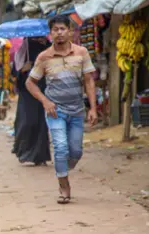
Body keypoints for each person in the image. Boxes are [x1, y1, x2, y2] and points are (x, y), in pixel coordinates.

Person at [26, 15, 98, 204]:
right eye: (55, 30)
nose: (59, 33)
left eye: (62, 29)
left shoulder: (81, 53)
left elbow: (89, 81)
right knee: (60, 147)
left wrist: (93, 108)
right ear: (50, 34)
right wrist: (45, 101)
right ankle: (64, 186)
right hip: (55, 110)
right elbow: (30, 83)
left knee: (76, 151)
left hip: (77, 110)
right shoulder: (44, 57)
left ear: (70, 31)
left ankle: (62, 168)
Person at [12, 37, 51, 166]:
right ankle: (24, 152)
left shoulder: (50, 47)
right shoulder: (26, 47)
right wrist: (24, 68)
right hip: (26, 91)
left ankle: (40, 156)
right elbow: (15, 71)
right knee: (27, 122)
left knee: (41, 123)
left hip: (43, 89)